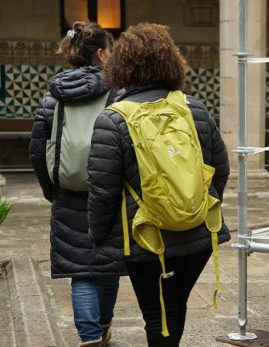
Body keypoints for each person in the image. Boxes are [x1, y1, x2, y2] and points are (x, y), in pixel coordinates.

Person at [86, 22, 231, 346]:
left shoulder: (112, 119)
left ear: (121, 66)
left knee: (157, 316)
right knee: (175, 308)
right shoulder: (195, 109)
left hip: (146, 239)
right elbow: (220, 170)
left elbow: (103, 191)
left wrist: (98, 235)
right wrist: (194, 203)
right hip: (197, 236)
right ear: (171, 61)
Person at [29, 21, 125, 347]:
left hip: (68, 193)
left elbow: (37, 151)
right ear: (100, 54)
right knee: (108, 266)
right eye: (109, 50)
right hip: (110, 192)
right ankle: (105, 324)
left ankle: (90, 338)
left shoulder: (51, 98)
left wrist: (51, 190)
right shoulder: (118, 94)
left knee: (81, 272)